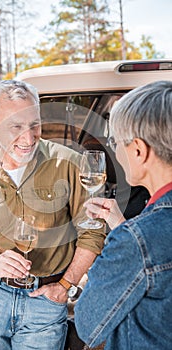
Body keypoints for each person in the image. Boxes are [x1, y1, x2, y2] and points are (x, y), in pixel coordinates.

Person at [0, 80, 106, 350]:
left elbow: (92, 233)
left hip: (45, 301)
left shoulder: (70, 163)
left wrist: (65, 285)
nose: (29, 137)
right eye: (15, 126)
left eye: (35, 123)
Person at [75, 80, 172, 349]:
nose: (115, 152)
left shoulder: (136, 239)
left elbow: (88, 324)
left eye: (117, 143)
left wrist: (122, 241)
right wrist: (121, 225)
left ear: (139, 151)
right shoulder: (136, 235)